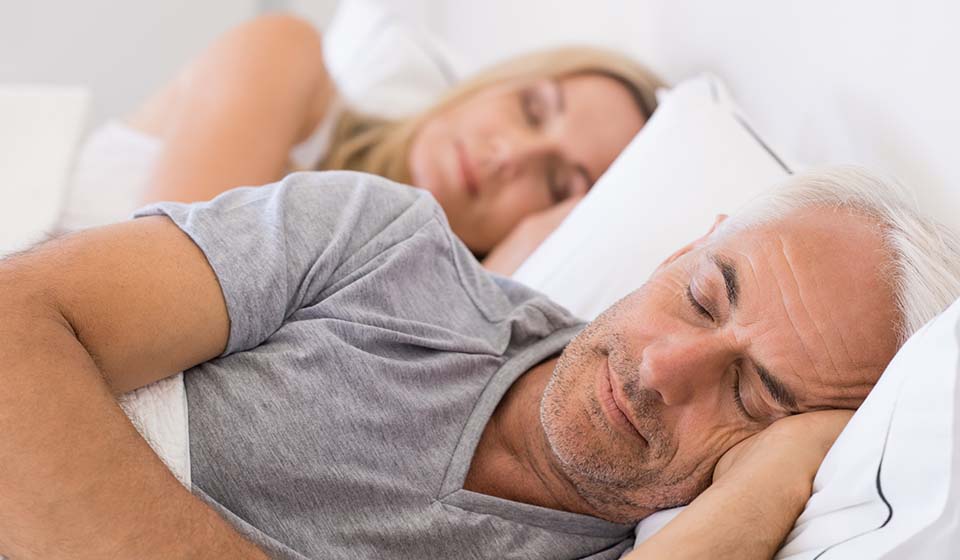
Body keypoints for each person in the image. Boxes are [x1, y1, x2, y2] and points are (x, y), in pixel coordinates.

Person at [3, 167, 959, 559]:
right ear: (683, 248)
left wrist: (767, 491)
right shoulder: (379, 246)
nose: (667, 370)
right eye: (705, 296)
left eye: (755, 395)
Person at [60, 14, 663, 274]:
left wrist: (499, 284)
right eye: (530, 110)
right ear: (493, 84)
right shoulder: (286, 60)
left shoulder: (411, 322)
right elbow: (151, 317)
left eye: (556, 183)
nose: (508, 155)